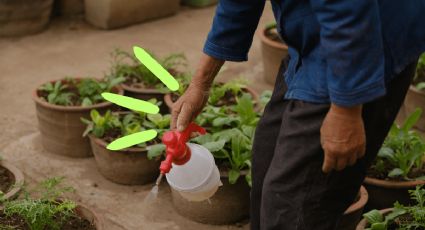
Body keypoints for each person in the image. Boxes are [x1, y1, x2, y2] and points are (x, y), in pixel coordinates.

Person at [170, 1, 425, 229]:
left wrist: (346, 110)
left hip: (362, 44)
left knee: (295, 205)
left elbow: (346, 10)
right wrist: (200, 84)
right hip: (317, 32)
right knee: (266, 162)